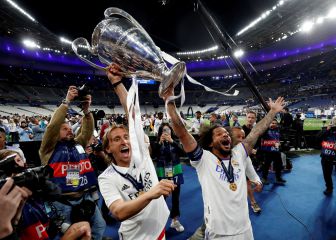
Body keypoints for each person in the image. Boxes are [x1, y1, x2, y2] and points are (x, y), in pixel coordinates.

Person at [163, 86, 285, 239]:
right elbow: (181, 132)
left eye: (227, 134)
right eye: (219, 134)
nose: (226, 136)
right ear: (209, 142)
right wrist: (169, 102)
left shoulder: (238, 153)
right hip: (218, 233)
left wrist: (273, 111)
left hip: (245, 229)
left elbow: (256, 131)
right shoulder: (202, 159)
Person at [98, 64, 175, 239]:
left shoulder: (141, 153)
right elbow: (118, 212)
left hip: (160, 231)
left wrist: (117, 83)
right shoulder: (106, 177)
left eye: (126, 137)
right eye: (117, 139)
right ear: (108, 148)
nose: (125, 141)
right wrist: (150, 194)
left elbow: (133, 115)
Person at [39, 86, 106, 240]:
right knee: (70, 234)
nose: (70, 130)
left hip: (84, 197)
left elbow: (87, 130)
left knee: (99, 227)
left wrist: (87, 111)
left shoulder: (77, 144)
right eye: (64, 129)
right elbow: (52, 126)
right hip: (61, 202)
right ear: (56, 132)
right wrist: (67, 101)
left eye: (70, 128)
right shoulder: (48, 148)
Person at [153, 123, 185, 232]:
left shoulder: (176, 142)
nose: (166, 132)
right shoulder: (157, 143)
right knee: (161, 199)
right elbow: (153, 156)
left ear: (171, 131)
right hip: (162, 173)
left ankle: (175, 221)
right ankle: (158, 222)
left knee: (176, 198)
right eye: (163, 130)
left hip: (175, 172)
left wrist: (172, 142)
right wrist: (159, 143)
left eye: (168, 130)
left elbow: (183, 153)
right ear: (160, 132)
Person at [242, 111, 262, 213]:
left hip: (253, 159)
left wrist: (256, 150)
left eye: (252, 117)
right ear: (246, 118)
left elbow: (259, 143)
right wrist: (248, 150)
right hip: (242, 159)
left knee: (250, 181)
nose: (250, 119)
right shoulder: (241, 130)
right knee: (247, 182)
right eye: (249, 117)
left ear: (255, 119)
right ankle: (253, 202)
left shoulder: (255, 130)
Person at [260, 119, 286, 185]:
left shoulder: (277, 131)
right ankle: (264, 178)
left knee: (279, 165)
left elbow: (278, 140)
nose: (273, 124)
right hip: (267, 151)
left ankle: (278, 178)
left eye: (275, 123)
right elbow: (263, 142)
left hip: (276, 151)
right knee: (266, 165)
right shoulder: (265, 131)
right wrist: (274, 143)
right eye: (272, 123)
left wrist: (279, 143)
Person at [318, 117, 336, 195]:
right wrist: (327, 129)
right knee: (326, 174)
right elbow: (317, 138)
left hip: (334, 156)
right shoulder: (326, 130)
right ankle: (329, 187)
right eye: (334, 121)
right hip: (326, 157)